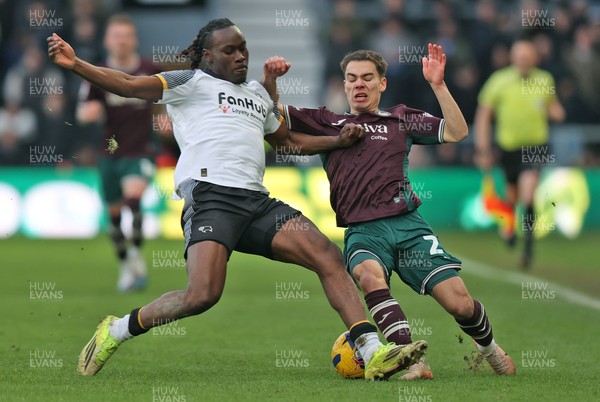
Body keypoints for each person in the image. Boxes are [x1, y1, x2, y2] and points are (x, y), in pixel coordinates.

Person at [47, 18, 427, 381]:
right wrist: (76, 63)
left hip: (257, 203)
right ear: (209, 57)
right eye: (230, 51)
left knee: (327, 255)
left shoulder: (258, 94)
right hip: (211, 197)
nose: (240, 56)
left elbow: (287, 142)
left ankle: (372, 349)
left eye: (243, 48)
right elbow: (129, 84)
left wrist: (336, 140)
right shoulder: (189, 81)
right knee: (202, 295)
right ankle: (116, 329)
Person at [267, 45, 516, 379]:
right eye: (352, 78)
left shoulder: (401, 118)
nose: (359, 84)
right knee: (368, 276)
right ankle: (413, 361)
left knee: (459, 302)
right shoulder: (328, 122)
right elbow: (271, 113)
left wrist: (439, 86)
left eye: (367, 78)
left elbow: (457, 131)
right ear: (343, 85)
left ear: (381, 84)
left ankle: (490, 350)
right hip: (363, 231)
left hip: (408, 226)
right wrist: (270, 79)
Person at [76, 14, 159, 292]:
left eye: (126, 35)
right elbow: (82, 111)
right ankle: (125, 264)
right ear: (107, 41)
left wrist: (169, 121)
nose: (122, 41)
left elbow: (169, 102)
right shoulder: (96, 74)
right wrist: (89, 114)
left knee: (133, 202)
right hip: (110, 153)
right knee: (113, 217)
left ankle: (136, 258)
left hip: (140, 151)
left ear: (134, 39)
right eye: (116, 36)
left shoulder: (151, 69)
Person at [474, 39, 565, 268]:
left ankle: (528, 247)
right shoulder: (499, 81)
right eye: (520, 56)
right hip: (509, 148)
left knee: (528, 192)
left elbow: (554, 108)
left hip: (536, 147)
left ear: (535, 58)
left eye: (528, 57)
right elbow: (484, 116)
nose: (524, 61)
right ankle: (511, 227)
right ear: (513, 58)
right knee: (512, 196)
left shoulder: (544, 80)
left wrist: (557, 112)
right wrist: (483, 149)